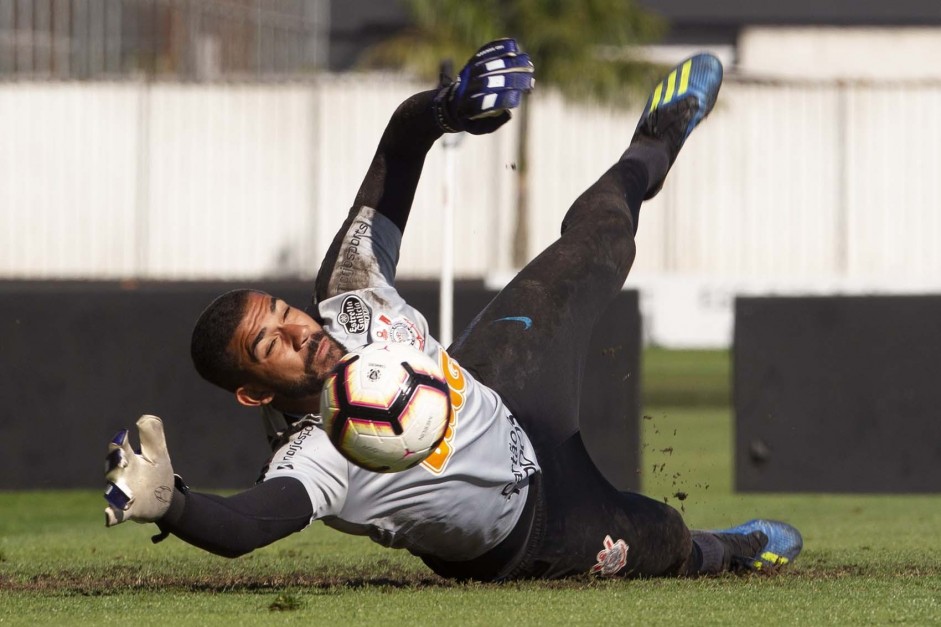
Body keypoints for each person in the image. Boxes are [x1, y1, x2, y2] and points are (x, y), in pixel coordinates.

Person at [103, 39, 802, 581]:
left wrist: (446, 108)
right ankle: (729, 547)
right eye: (271, 345)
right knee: (667, 539)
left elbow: (396, 150)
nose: (301, 332)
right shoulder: (316, 452)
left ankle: (653, 140)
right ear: (254, 390)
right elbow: (250, 521)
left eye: (286, 315)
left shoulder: (346, 293)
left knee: (601, 240)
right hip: (536, 529)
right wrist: (177, 503)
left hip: (505, 384)